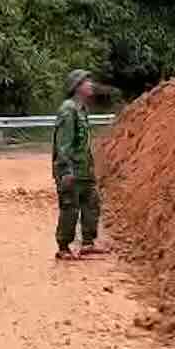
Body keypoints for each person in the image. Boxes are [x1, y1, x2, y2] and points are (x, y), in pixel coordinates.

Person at [52, 69, 107, 260]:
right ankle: (64, 247)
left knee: (92, 203)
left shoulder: (82, 109)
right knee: (70, 207)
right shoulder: (68, 109)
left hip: (84, 169)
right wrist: (65, 170)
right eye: (86, 82)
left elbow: (84, 143)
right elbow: (63, 143)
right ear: (77, 86)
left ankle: (88, 243)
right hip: (71, 169)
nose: (90, 85)